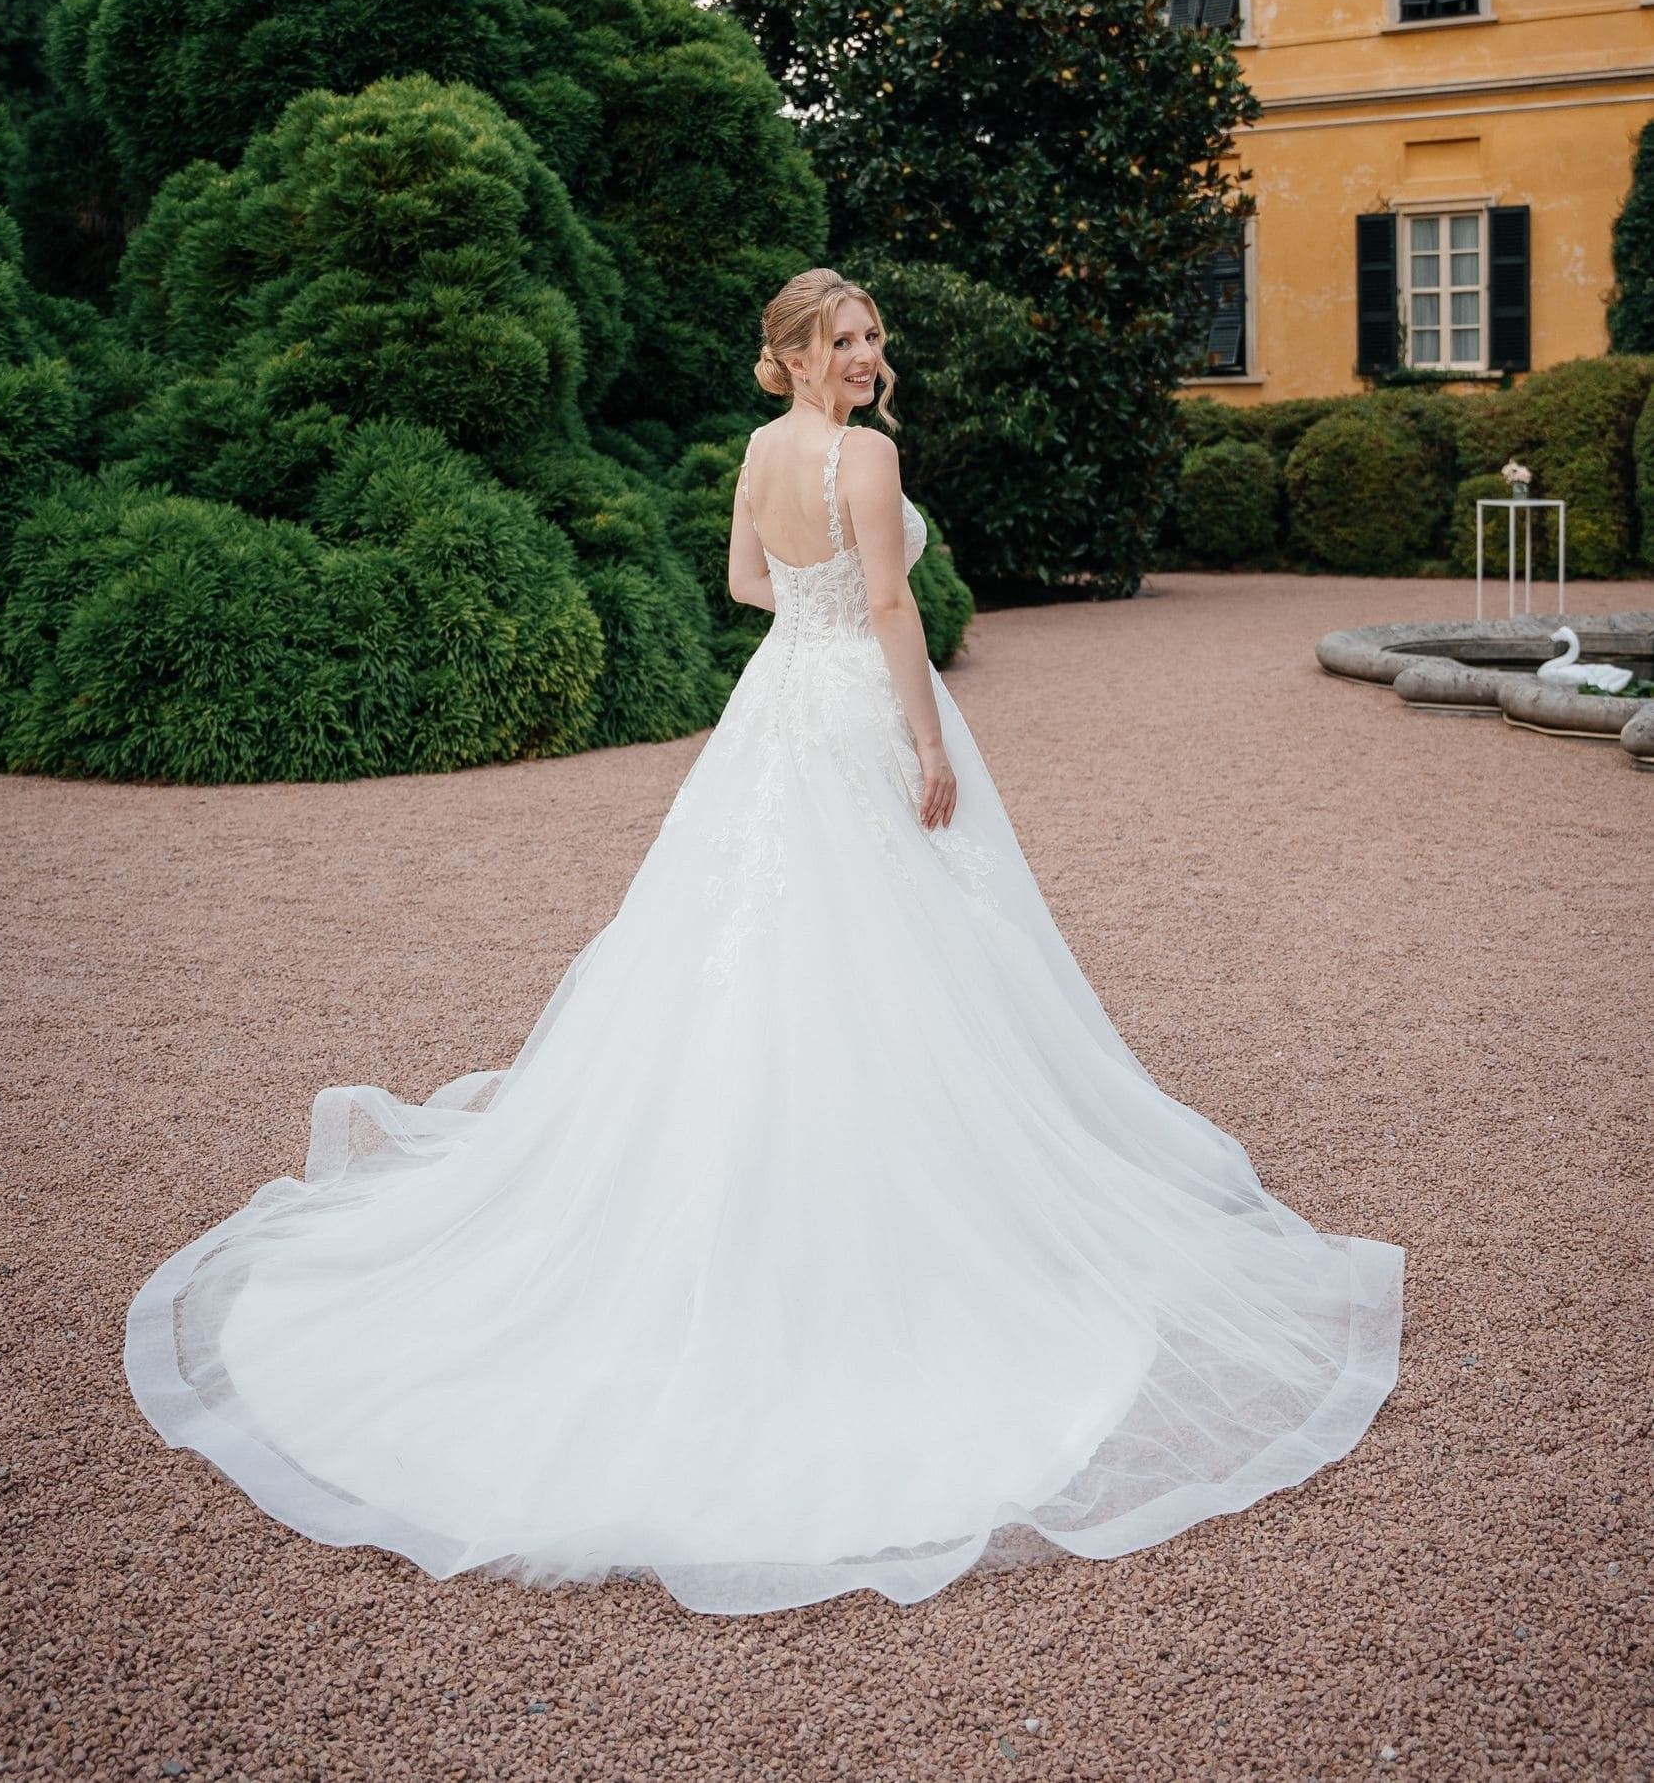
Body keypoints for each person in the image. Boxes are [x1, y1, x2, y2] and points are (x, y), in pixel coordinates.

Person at [124, 266, 1404, 1617]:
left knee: (746, 937)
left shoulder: (756, 452)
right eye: (843, 339)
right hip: (853, 707)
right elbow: (899, 607)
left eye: (870, 337)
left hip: (779, 696)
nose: (868, 353)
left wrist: (812, 620)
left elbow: (747, 582)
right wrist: (922, 734)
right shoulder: (864, 454)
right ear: (792, 353)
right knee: (899, 938)